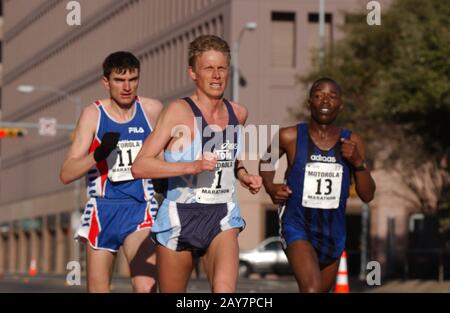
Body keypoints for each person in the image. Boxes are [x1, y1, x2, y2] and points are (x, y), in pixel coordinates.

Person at [132, 35, 262, 293]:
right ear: (193, 73)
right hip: (180, 215)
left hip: (223, 214)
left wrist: (244, 174)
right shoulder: (177, 112)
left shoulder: (238, 113)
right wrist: (191, 166)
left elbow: (230, 157)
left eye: (222, 68)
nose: (216, 75)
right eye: (208, 68)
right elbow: (140, 166)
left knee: (225, 292)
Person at [259, 77, 376, 292]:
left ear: (340, 105)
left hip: (334, 232)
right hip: (297, 226)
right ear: (309, 102)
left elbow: (368, 195)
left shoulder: (352, 142)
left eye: (332, 96)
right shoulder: (289, 136)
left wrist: (358, 163)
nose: (325, 100)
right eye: (319, 95)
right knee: (311, 289)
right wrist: (271, 186)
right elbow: (266, 160)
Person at [60, 51, 163, 293]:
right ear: (106, 82)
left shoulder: (152, 109)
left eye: (133, 79)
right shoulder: (93, 115)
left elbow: (170, 151)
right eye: (119, 80)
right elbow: (66, 172)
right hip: (102, 210)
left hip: (141, 208)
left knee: (147, 286)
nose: (127, 87)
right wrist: (98, 155)